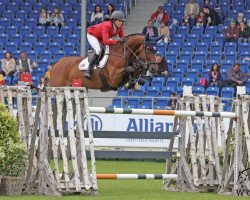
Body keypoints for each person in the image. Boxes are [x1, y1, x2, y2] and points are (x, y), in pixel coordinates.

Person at [84, 10, 125, 79]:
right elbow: (105, 41)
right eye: (119, 21)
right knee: (98, 50)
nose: (121, 23)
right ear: (114, 20)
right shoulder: (107, 25)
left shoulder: (120, 27)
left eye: (122, 21)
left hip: (101, 37)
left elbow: (123, 38)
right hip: (92, 34)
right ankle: (88, 70)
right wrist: (117, 41)